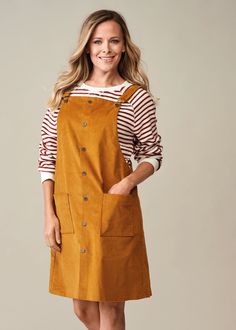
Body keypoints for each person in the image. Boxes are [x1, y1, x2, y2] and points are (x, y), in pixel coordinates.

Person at [37, 9, 163, 330]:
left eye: (113, 41)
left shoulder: (135, 97)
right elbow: (47, 155)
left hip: (111, 210)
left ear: (123, 47)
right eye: (98, 41)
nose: (105, 49)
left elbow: (152, 154)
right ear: (87, 47)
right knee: (81, 306)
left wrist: (126, 184)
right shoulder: (64, 95)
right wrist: (49, 213)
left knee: (111, 305)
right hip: (71, 211)